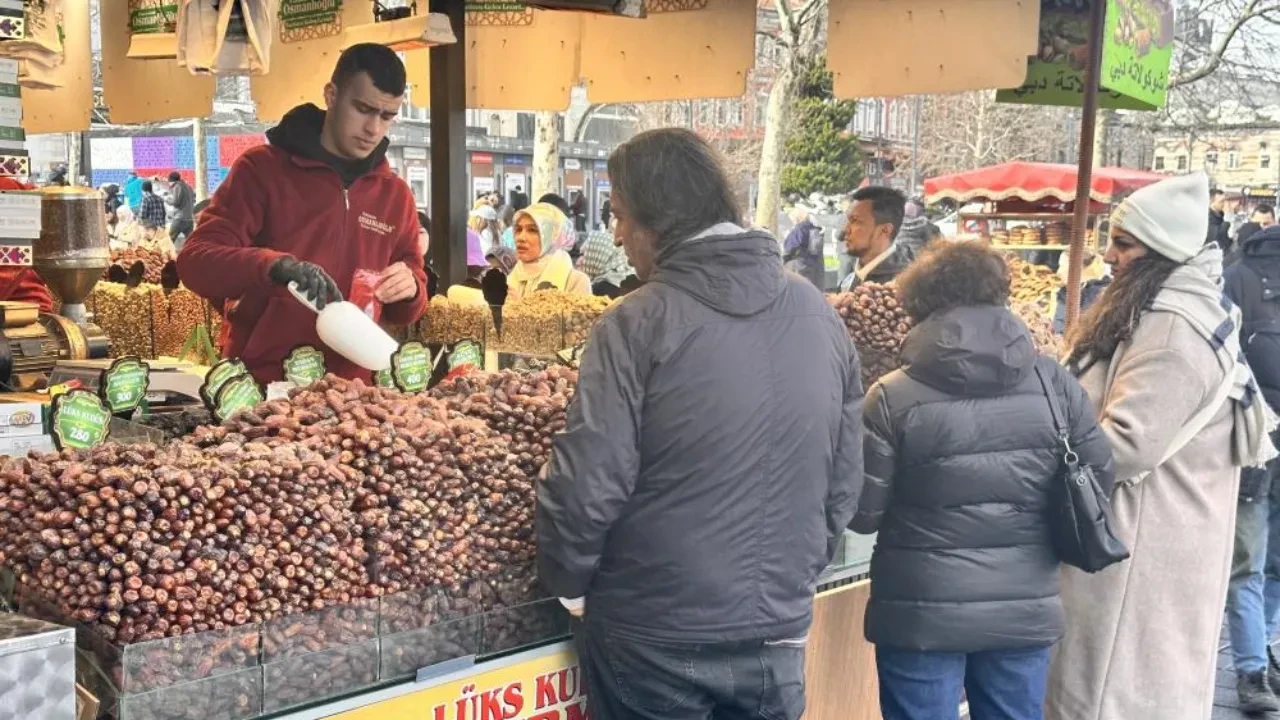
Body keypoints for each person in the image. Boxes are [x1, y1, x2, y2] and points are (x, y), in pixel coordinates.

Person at [537, 127, 864, 720]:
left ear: (656, 218)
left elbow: (588, 483)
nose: (615, 234)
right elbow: (843, 485)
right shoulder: (820, 315)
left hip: (651, 634)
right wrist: (787, 579)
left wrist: (572, 586)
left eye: (618, 215)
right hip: (775, 631)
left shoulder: (635, 322)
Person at [1048, 173, 1277, 720]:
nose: (1108, 256)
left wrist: (1038, 439)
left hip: (1139, 556)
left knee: (1114, 698)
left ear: (1163, 253)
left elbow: (1125, 446)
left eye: (1123, 245)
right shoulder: (1171, 307)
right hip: (1149, 548)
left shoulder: (1173, 326)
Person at [855, 241, 1114, 720]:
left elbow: (864, 512)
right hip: (1023, 605)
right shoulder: (1053, 382)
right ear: (1001, 294)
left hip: (919, 611)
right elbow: (1098, 470)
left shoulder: (890, 396)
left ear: (919, 305)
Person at [177, 43, 427, 383]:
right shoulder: (261, 170)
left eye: (387, 116)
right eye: (364, 109)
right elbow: (195, 262)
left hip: (354, 394)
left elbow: (409, 299)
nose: (374, 129)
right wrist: (273, 266)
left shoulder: (395, 195)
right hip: (264, 385)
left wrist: (410, 288)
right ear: (331, 95)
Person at [1224, 219, 1280, 713]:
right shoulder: (1239, 277)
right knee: (1259, 560)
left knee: (1250, 559)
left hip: (1255, 438)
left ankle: (1254, 661)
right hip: (1256, 440)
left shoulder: (1235, 275)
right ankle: (1254, 657)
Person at [505, 202, 590, 302]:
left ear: (552, 236)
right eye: (518, 229)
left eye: (532, 230)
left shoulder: (575, 281)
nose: (520, 238)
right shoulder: (512, 278)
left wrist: (517, 308)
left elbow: (578, 317)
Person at [839, 186, 916, 291]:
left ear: (885, 230)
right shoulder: (849, 280)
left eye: (855, 221)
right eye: (848, 220)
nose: (845, 230)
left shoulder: (905, 288)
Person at [576, 225, 632, 297]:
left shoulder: (599, 290)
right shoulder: (629, 279)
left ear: (598, 255)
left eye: (585, 254)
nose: (578, 262)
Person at [782, 203, 826, 289]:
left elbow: (790, 248)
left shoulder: (799, 229)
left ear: (798, 216)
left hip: (800, 268)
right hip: (814, 268)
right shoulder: (814, 228)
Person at [165, 171, 196, 249]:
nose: (169, 184)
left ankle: (167, 259)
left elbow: (176, 202)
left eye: (169, 182)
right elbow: (192, 200)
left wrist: (167, 200)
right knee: (191, 242)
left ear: (172, 181)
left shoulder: (177, 186)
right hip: (189, 219)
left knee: (169, 241)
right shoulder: (189, 187)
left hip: (180, 219)